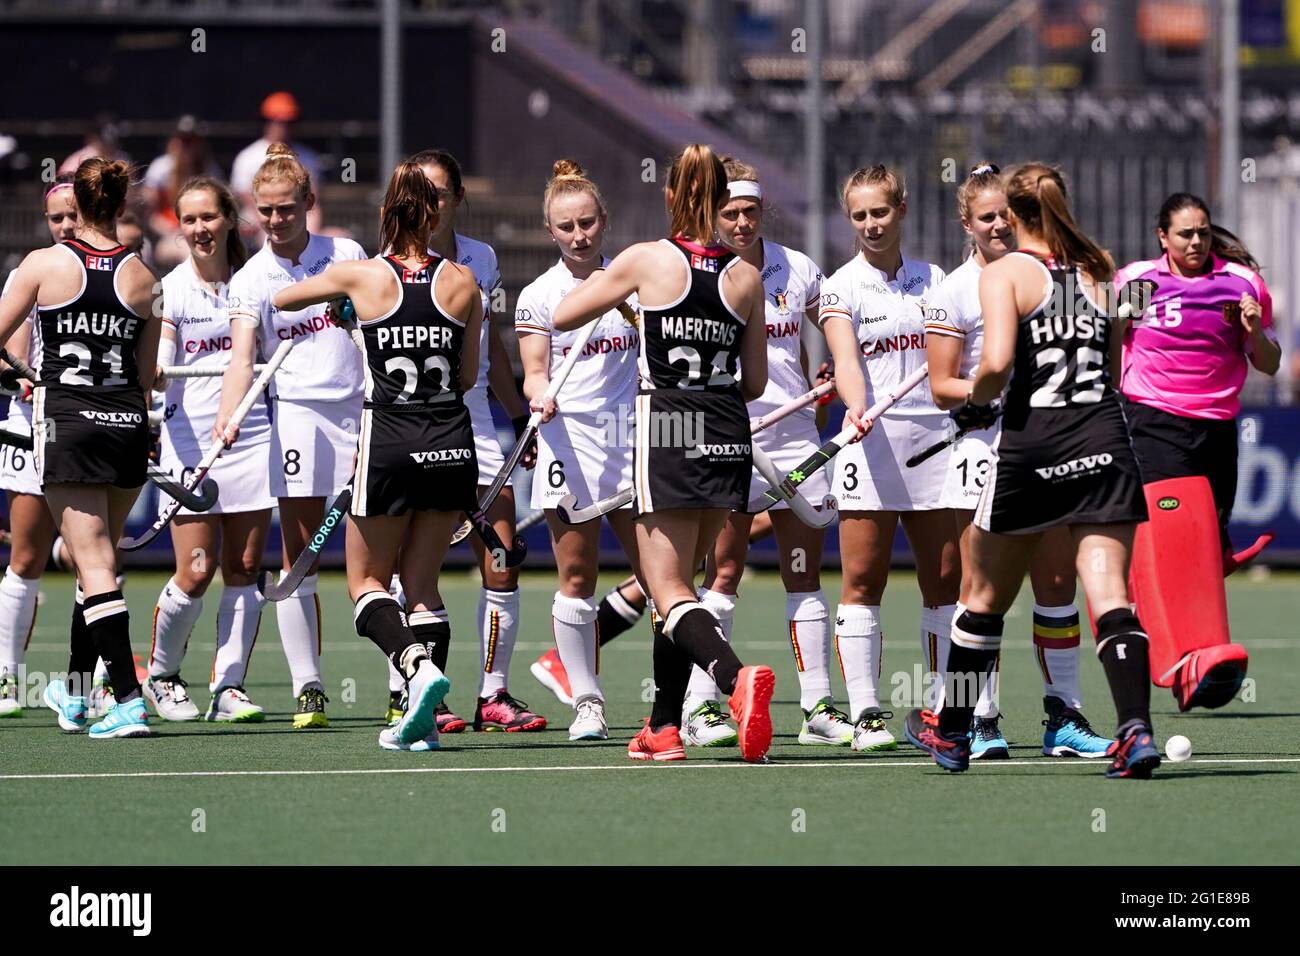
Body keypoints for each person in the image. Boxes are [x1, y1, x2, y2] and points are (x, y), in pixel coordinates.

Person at [906, 162, 1161, 779]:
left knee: (985, 598)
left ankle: (958, 733)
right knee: (1109, 595)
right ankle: (1135, 732)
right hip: (1105, 439)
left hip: (1033, 447)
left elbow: (994, 365)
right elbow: (1115, 347)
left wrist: (973, 392)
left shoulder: (1006, 273)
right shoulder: (1100, 268)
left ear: (1015, 215)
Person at [553, 143, 777, 764]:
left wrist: (624, 296)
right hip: (728, 427)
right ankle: (663, 727)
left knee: (669, 589)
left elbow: (566, 313)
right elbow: (754, 382)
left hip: (669, 424)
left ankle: (735, 681)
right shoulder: (745, 275)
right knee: (677, 593)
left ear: (672, 196)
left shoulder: (648, 259)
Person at [273, 160, 483, 751]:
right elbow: (466, 377)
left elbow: (284, 298)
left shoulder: (360, 276)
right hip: (451, 440)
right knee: (423, 586)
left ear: (387, 214)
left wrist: (345, 309)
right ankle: (426, 725)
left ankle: (416, 669)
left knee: (364, 581)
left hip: (390, 439)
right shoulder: (466, 283)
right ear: (435, 212)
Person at [688, 156, 851, 748]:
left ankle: (817, 710)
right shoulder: (701, 274)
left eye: (750, 211)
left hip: (796, 439)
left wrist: (833, 365)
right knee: (723, 572)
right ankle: (703, 707)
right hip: (731, 435)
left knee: (803, 575)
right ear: (711, 214)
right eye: (729, 213)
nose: (740, 223)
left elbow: (834, 327)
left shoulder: (797, 268)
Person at [0, 157, 161, 738]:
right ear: (120, 207)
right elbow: (145, 377)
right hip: (125, 425)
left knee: (90, 562)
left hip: (69, 423)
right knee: (101, 563)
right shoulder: (146, 279)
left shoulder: (42, 264)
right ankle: (72, 691)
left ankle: (127, 700)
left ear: (80, 207)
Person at [216, 144, 367, 729]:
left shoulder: (346, 254)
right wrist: (228, 415)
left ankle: (402, 686)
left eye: (285, 209)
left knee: (382, 552)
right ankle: (310, 689)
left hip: (361, 411)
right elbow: (242, 357)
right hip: (298, 414)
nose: (275, 222)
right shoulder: (251, 278)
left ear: (309, 202)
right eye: (265, 212)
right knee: (299, 558)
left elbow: (374, 326)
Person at [393, 148, 543, 735]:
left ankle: (493, 694)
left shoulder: (481, 258)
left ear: (457, 198)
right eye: (419, 193)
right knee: (415, 571)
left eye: (439, 192)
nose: (430, 203)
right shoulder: (385, 264)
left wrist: (517, 414)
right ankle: (421, 690)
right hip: (412, 424)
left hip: (475, 419)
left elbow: (495, 349)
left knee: (501, 558)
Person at [819, 165, 958, 752]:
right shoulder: (839, 286)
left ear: (901, 209)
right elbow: (846, 360)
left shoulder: (938, 281)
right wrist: (855, 406)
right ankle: (866, 715)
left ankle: (944, 711)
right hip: (868, 440)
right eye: (859, 215)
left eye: (880, 212)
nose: (871, 225)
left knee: (945, 581)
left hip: (934, 440)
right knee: (863, 580)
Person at [514, 159, 643, 742]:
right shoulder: (540, 295)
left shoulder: (634, 280)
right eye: (566, 227)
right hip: (569, 441)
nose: (579, 235)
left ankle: (684, 704)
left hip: (630, 441)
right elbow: (533, 372)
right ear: (551, 231)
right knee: (576, 574)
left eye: (587, 223)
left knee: (659, 574)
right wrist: (540, 398)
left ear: (603, 220)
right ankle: (586, 700)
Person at [144, 177, 274, 724]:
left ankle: (229, 688)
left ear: (228, 221)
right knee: (196, 569)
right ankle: (161, 675)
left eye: (208, 217)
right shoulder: (167, 290)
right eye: (189, 219)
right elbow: (161, 361)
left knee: (244, 566)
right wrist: (153, 371)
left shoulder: (254, 282)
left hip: (253, 434)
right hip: (188, 441)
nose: (199, 229)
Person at [1115, 193, 1281, 555]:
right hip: (1154, 420)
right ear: (1163, 237)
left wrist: (1253, 330)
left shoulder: (1242, 284)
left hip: (1216, 428)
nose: (1196, 242)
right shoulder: (1138, 281)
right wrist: (1115, 321)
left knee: (1209, 540)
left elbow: (1269, 365)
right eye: (1185, 234)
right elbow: (1104, 343)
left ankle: (1200, 610)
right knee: (1168, 529)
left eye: (1203, 234)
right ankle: (1145, 608)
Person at [0, 175, 78, 717]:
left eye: (74, 215)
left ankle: (87, 680)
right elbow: (12, 346)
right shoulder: (28, 272)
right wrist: (24, 377)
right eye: (57, 219)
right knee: (26, 555)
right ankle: (8, 679)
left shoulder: (117, 270)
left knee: (91, 557)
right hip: (35, 421)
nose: (67, 226)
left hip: (88, 426)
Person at [230, 92, 323, 233]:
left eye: (289, 122)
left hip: (295, 211)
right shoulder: (248, 156)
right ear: (267, 121)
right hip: (258, 213)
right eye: (279, 121)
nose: (284, 127)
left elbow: (312, 196)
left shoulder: (308, 156)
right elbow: (244, 196)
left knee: (321, 222)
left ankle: (309, 251)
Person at [143, 116, 224, 269]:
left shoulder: (210, 169)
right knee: (189, 252)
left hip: (202, 233)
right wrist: (172, 228)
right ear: (174, 141)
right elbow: (150, 216)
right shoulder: (161, 168)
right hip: (169, 236)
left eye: (192, 141)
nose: (187, 147)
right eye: (183, 141)